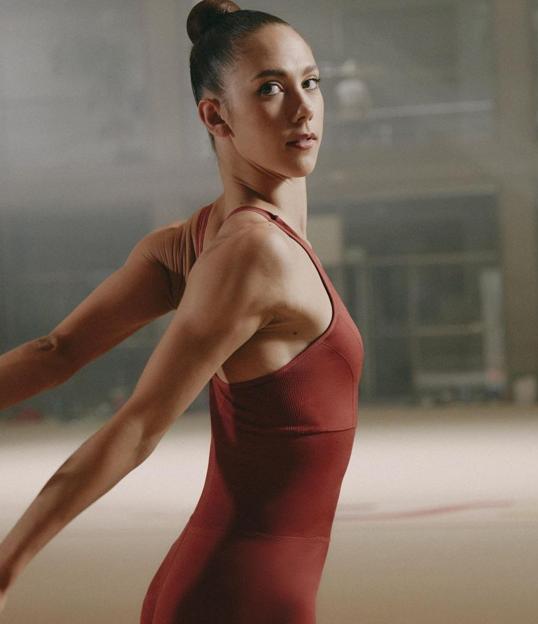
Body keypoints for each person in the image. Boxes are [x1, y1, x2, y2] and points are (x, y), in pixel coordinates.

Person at [0, 1, 364, 621]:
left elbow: (55, 354)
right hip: (243, 593)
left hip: (229, 580)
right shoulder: (250, 255)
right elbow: (138, 426)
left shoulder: (197, 238)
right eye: (271, 89)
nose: (304, 109)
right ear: (214, 115)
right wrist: (6, 567)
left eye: (311, 82)